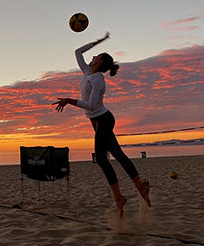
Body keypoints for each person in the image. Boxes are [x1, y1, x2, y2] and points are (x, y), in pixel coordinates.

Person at [53, 32, 150, 216]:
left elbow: (90, 105)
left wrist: (69, 100)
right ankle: (131, 193)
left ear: (100, 62)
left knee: (105, 157)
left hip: (104, 119)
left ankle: (122, 197)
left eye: (96, 56)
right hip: (96, 121)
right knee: (113, 156)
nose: (92, 57)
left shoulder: (98, 80)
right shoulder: (87, 72)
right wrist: (98, 42)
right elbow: (78, 52)